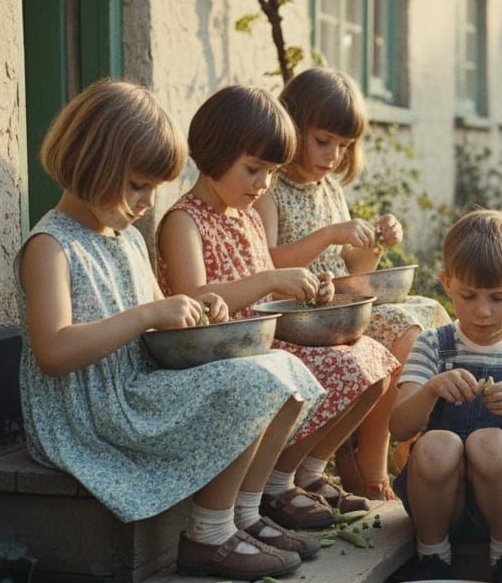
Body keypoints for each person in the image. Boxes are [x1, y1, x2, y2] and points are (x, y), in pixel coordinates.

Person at [15, 79, 328, 580]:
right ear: (91, 165)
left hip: (136, 389)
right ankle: (209, 535)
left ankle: (243, 514)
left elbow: (156, 316)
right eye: (137, 185)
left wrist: (194, 309)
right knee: (257, 381)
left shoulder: (127, 240)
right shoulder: (51, 246)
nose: (145, 201)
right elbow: (54, 350)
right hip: (90, 411)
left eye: (153, 189)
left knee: (285, 373)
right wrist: (147, 315)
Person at [157, 85, 400, 531]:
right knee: (314, 372)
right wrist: (270, 279)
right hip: (216, 352)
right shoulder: (183, 221)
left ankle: (294, 475)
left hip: (262, 339)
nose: (264, 184)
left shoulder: (245, 215)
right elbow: (194, 302)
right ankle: (267, 490)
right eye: (253, 169)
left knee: (372, 361)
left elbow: (271, 291)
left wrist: (310, 291)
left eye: (270, 172)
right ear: (212, 154)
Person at [257, 67, 450, 501]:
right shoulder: (271, 189)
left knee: (424, 321)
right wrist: (328, 234)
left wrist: (377, 241)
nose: (333, 155)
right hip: (295, 313)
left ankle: (408, 443)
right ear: (293, 125)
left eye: (343, 146)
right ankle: (371, 464)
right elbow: (266, 261)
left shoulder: (327, 187)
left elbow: (353, 266)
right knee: (402, 334)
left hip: (333, 305)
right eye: (323, 140)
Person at [389, 210, 502, 583]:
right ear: (447, 284)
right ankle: (432, 558)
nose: (483, 311)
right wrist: (432, 388)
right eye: (468, 296)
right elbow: (400, 426)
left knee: (490, 442)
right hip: (442, 501)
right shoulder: (432, 346)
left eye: (499, 297)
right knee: (436, 443)